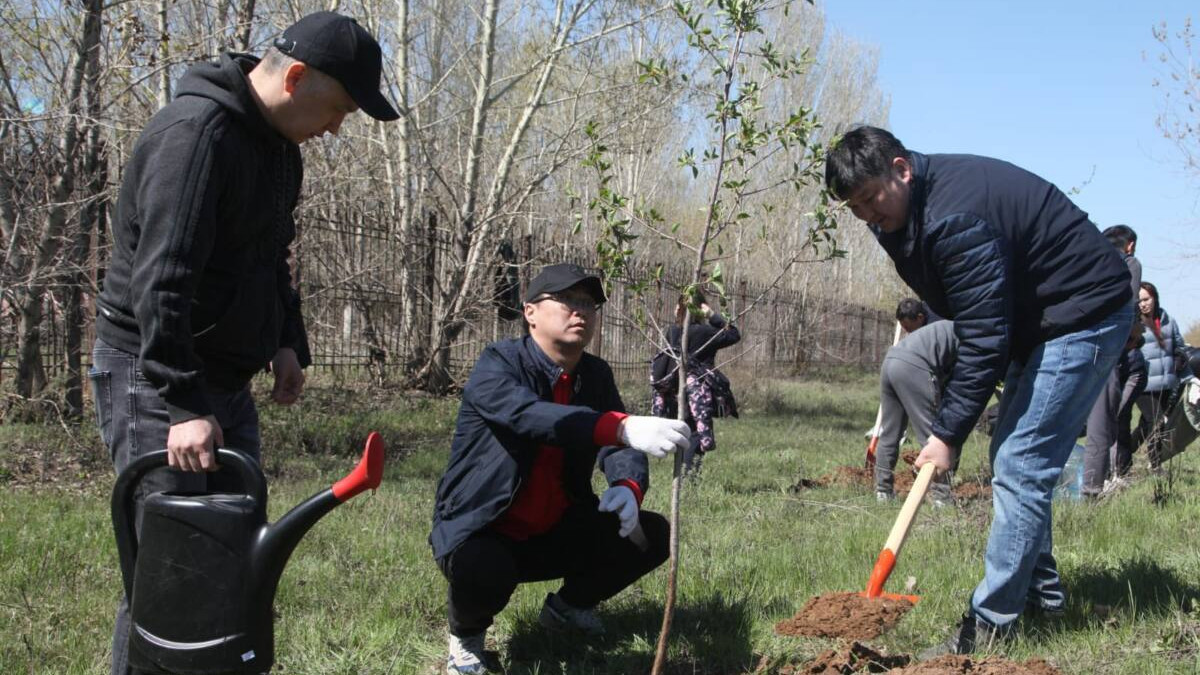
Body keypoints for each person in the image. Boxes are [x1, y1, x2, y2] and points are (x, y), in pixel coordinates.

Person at [90, 12, 399, 675]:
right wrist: (181, 403)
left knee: (231, 560)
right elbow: (161, 283)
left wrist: (287, 342)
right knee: (171, 569)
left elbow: (271, 258)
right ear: (295, 77)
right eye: (339, 107)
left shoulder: (278, 150)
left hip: (222, 380)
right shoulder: (195, 138)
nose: (337, 127)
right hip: (157, 374)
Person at [825, 126, 1132, 654]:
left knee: (1020, 463)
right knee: (1015, 457)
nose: (868, 217)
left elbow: (984, 335)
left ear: (902, 169)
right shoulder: (904, 216)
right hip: (1037, 322)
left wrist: (946, 434)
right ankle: (1042, 596)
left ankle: (988, 626)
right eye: (855, 209)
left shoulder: (953, 216)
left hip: (1082, 313)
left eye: (872, 199)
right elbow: (969, 311)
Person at [430, 263, 688, 675]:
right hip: (484, 527)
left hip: (554, 527)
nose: (580, 311)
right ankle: (466, 639)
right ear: (530, 311)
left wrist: (627, 484)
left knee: (652, 535)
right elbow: (529, 415)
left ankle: (565, 609)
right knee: (483, 567)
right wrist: (619, 427)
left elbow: (617, 441)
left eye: (588, 303)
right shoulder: (498, 363)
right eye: (567, 299)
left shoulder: (595, 374)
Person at [1081, 225, 1145, 497]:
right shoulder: (1129, 262)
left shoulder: (1087, 260)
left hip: (1072, 344)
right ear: (1129, 244)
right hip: (1106, 349)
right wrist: (1133, 334)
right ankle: (1093, 489)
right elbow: (1128, 303)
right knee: (1101, 420)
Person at [650, 291, 741, 474]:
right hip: (699, 392)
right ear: (699, 310)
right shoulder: (707, 332)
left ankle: (683, 475)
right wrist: (712, 315)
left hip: (674, 390)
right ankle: (689, 476)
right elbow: (734, 334)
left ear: (680, 309)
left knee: (686, 429)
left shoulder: (673, 331)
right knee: (696, 433)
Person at [874, 320, 960, 506]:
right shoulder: (972, 338)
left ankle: (883, 491)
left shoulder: (946, 327)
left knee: (890, 433)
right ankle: (941, 497)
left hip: (890, 361)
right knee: (934, 436)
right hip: (915, 366)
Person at [1134, 281, 1189, 470]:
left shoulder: (1168, 320)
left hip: (1167, 383)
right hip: (1144, 384)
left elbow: (1180, 346)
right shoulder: (1134, 323)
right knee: (1156, 422)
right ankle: (1156, 466)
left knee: (1145, 427)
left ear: (1155, 297)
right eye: (1139, 301)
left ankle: (1121, 460)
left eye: (1146, 299)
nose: (1143, 304)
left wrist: (1180, 357)